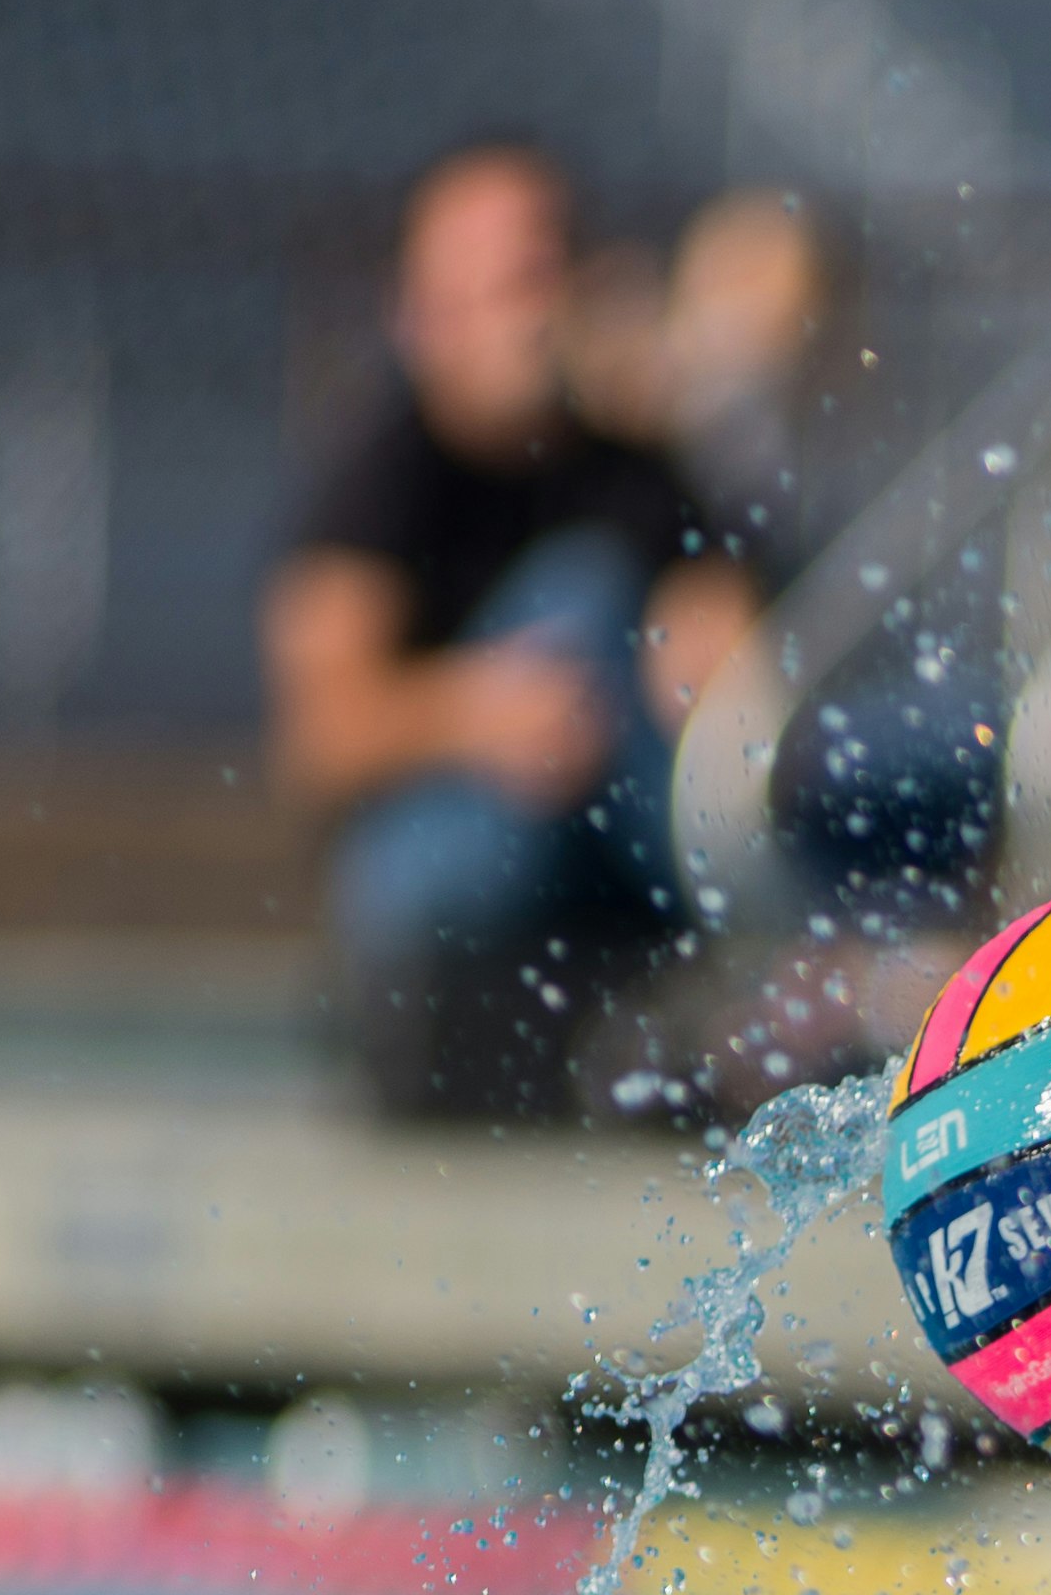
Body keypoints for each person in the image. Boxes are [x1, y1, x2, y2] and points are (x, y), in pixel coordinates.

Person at [265, 139, 755, 1124]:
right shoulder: (381, 479)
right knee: (582, 599)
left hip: (613, 841)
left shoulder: (638, 470)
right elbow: (317, 737)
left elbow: (736, 657)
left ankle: (797, 921)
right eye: (498, 284)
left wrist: (700, 650)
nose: (527, 312)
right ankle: (802, 930)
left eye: (544, 273)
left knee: (642, 653)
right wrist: (473, 712)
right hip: (450, 862)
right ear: (422, 313)